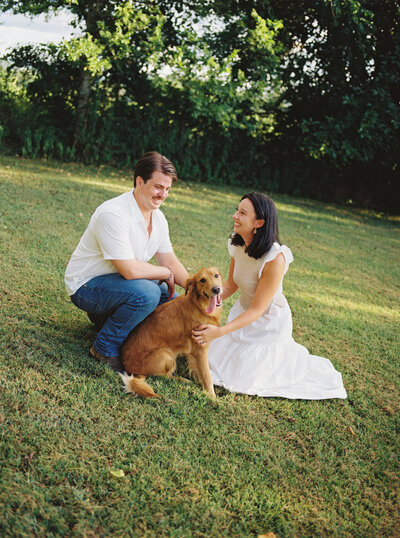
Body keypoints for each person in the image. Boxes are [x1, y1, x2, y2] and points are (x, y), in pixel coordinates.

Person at [192, 192, 347, 399]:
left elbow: (258, 309)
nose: (234, 216)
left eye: (242, 213)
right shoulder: (237, 244)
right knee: (214, 360)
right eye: (237, 210)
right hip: (243, 312)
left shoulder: (275, 258)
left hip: (267, 321)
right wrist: (200, 304)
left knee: (243, 379)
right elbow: (231, 284)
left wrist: (220, 331)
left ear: (259, 222)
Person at [65, 151, 189, 372]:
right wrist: (164, 273)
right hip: (86, 286)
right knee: (148, 294)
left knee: (172, 303)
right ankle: (104, 347)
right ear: (140, 182)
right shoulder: (113, 213)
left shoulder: (158, 218)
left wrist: (195, 288)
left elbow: (170, 260)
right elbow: (130, 270)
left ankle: (107, 319)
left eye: (168, 189)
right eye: (158, 187)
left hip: (119, 284)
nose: (163, 195)